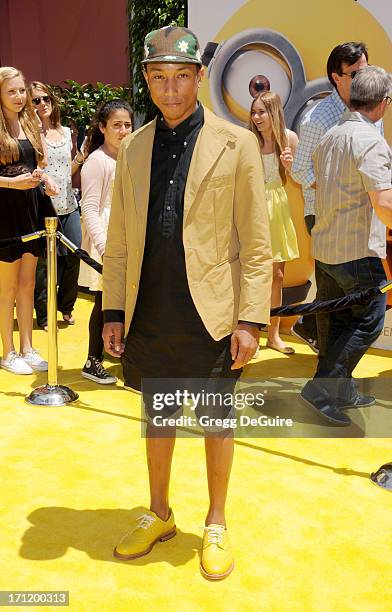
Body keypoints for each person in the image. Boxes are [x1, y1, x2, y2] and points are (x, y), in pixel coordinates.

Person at [102, 26, 272, 580]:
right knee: (158, 416)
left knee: (216, 421)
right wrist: (111, 311)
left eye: (180, 76)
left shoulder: (237, 143)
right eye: (158, 77)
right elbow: (121, 241)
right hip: (150, 308)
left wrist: (251, 319)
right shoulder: (133, 147)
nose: (169, 88)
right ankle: (159, 512)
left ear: (198, 77)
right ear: (147, 80)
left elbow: (255, 241)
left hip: (215, 311)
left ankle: (216, 520)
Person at [300, 66, 392, 427]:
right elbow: (384, 204)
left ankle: (341, 390)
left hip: (326, 248)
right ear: (383, 104)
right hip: (356, 250)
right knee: (369, 321)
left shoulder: (332, 133)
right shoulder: (370, 140)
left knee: (337, 324)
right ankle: (321, 390)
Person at [291, 42, 369, 353]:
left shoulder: (370, 110)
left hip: (359, 215)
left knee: (336, 290)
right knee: (349, 293)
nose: (362, 79)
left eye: (365, 71)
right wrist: (331, 193)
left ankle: (316, 337)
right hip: (324, 215)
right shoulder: (318, 119)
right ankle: (329, 363)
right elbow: (299, 169)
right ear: (336, 77)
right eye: (355, 74)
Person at [0, 67, 58, 375]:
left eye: (22, 90)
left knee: (27, 283)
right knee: (7, 287)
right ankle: (7, 352)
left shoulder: (30, 122)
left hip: (31, 206)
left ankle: (27, 347)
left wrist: (43, 178)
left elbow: (38, 163)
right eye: (12, 91)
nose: (20, 97)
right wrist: (12, 184)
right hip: (5, 211)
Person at [80, 100, 132, 384]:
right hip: (107, 241)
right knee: (104, 301)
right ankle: (92, 360)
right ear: (102, 128)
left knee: (126, 300)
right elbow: (89, 208)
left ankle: (124, 353)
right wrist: (103, 247)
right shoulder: (97, 161)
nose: (123, 131)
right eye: (116, 125)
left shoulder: (130, 157)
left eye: (127, 124)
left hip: (128, 240)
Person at [30, 81, 83, 331]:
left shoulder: (66, 131)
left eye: (45, 99)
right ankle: (43, 315)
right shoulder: (29, 135)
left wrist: (80, 160)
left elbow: (67, 170)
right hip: (42, 206)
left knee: (75, 255)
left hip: (69, 205)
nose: (42, 104)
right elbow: (32, 171)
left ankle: (66, 306)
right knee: (43, 264)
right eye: (36, 101)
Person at [250, 91, 299, 354]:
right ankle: (251, 336)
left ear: (274, 112)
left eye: (262, 112)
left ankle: (274, 335)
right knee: (252, 275)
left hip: (277, 206)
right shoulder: (248, 141)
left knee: (277, 275)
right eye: (254, 112)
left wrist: (290, 166)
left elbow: (297, 180)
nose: (257, 117)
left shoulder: (289, 138)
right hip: (254, 209)